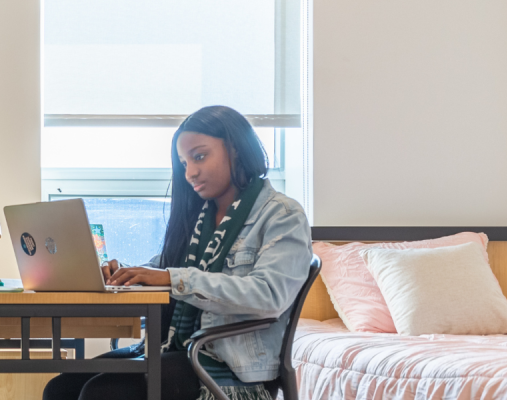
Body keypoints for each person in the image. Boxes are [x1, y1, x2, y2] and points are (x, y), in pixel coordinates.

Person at [43, 106, 312, 400]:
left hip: (228, 367)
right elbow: (166, 268)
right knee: (61, 388)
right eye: (183, 163)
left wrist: (171, 279)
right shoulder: (200, 218)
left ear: (235, 148)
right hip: (177, 348)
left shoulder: (283, 216)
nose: (189, 173)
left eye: (199, 156)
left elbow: (269, 296)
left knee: (102, 393)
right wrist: (123, 273)